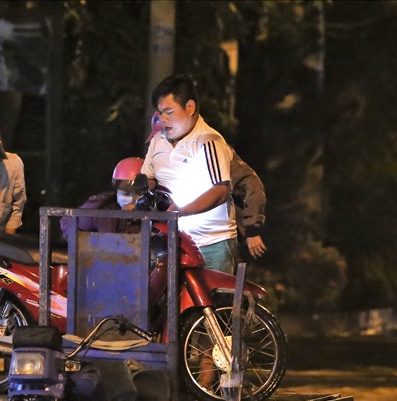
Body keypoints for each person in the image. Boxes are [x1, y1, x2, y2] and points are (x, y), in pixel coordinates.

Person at [141, 74, 238, 273]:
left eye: (169, 112)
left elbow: (220, 190)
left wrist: (180, 211)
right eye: (160, 113)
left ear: (190, 107)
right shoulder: (158, 140)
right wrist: (144, 191)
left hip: (211, 244)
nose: (163, 119)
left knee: (212, 304)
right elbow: (148, 176)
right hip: (171, 241)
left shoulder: (209, 141)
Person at [146, 111, 268, 260]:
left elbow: (249, 183)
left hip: (214, 240)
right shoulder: (164, 157)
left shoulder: (212, 148)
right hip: (175, 238)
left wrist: (251, 229)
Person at [59, 156, 145, 240]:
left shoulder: (154, 214)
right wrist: (88, 243)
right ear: (116, 191)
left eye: (138, 194)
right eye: (126, 193)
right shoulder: (102, 208)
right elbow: (68, 221)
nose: (131, 200)